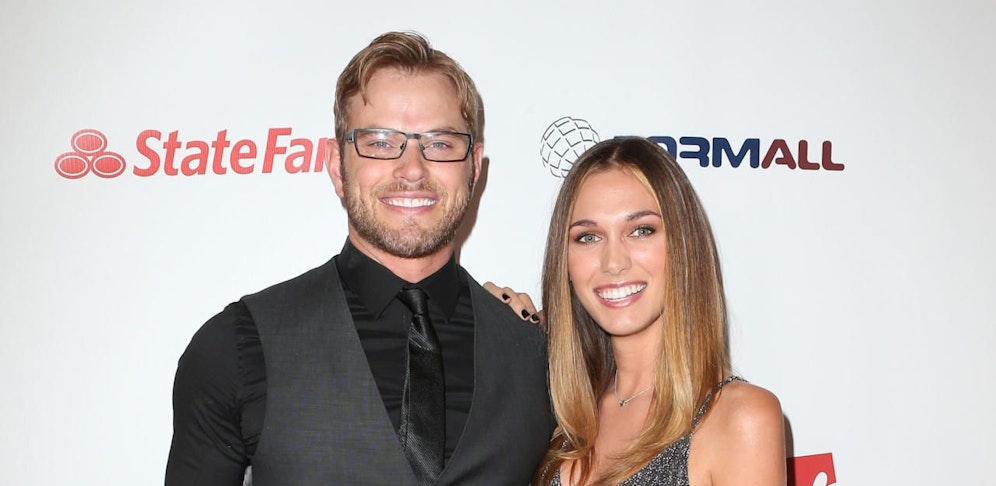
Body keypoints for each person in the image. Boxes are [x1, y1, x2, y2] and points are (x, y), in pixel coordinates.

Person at [165, 31, 552, 485]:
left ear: (475, 167)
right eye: (381, 142)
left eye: (441, 144)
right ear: (336, 166)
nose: (412, 169)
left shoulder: (538, 357)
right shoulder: (235, 346)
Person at [527, 137, 785, 484]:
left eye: (641, 230)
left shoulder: (739, 418)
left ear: (682, 245)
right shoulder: (559, 417)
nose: (613, 262)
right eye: (588, 237)